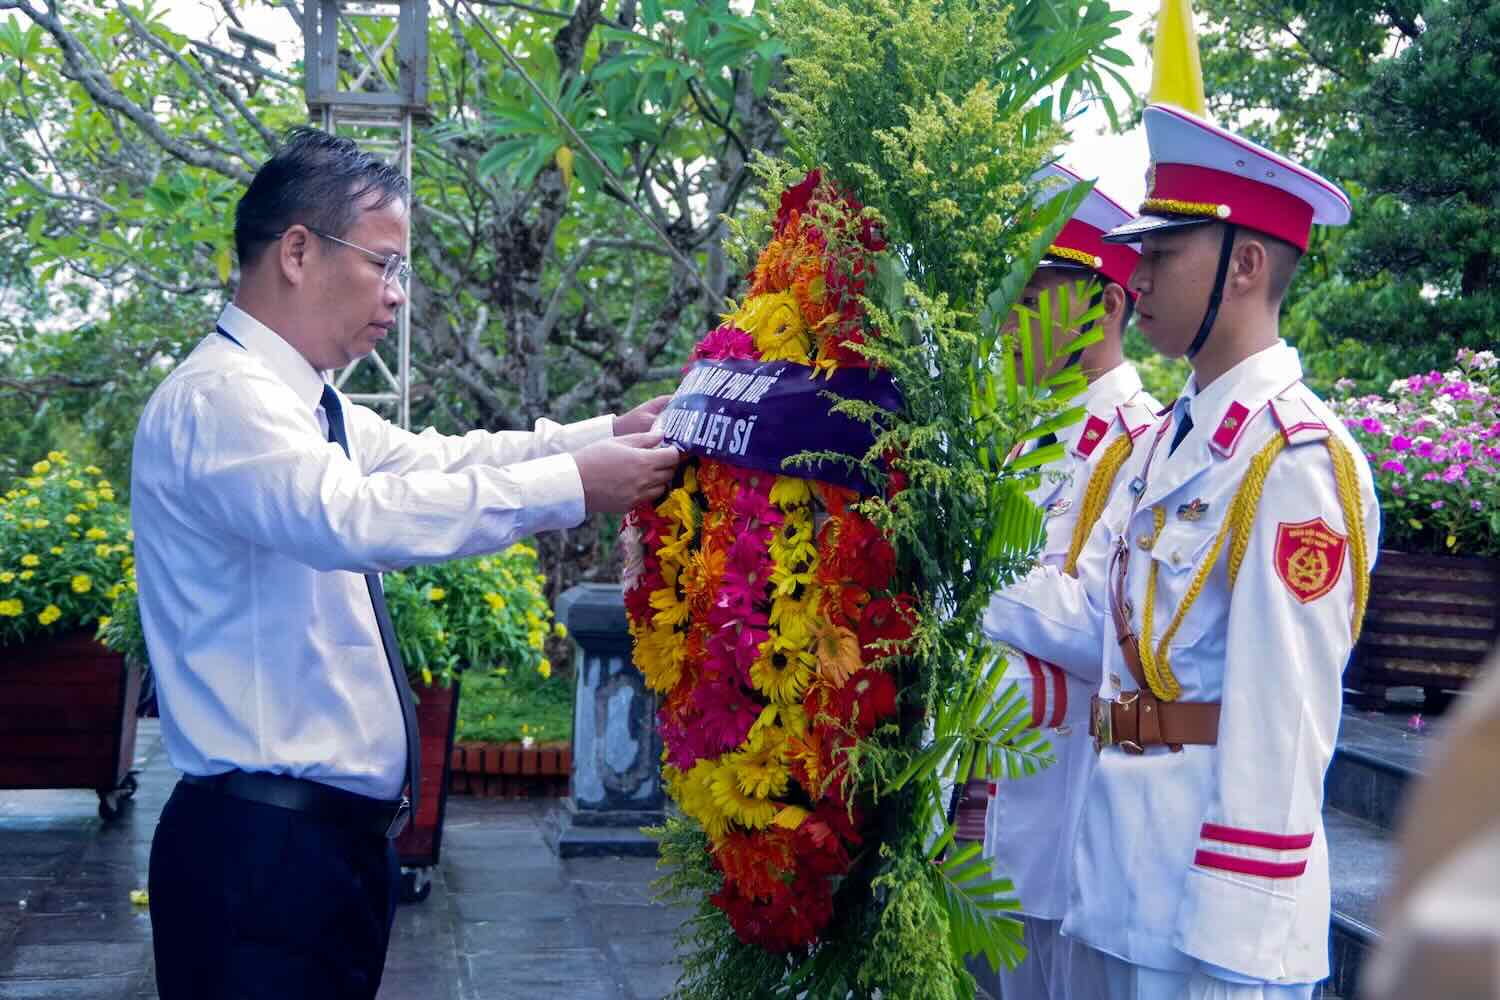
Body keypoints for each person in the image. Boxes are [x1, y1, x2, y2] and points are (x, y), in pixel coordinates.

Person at [131, 127, 681, 1000]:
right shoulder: (222, 400)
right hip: (260, 856)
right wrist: (577, 484)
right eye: (384, 266)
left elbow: (438, 461)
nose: (395, 297)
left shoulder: (304, 402)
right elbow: (353, 517)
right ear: (300, 251)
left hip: (316, 852)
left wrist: (602, 437)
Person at [984, 104, 1380, 998]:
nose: (1139, 273)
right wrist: (958, 567)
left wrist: (1238, 945)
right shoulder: (1170, 440)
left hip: (1207, 908)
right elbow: (1099, 619)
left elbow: (1285, 719)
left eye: (1162, 256)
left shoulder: (1296, 460)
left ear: (1244, 265)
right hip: (1111, 870)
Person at [968, 163, 1159, 1000]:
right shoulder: (1029, 430)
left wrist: (968, 573)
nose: (1012, 321)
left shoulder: (1135, 441)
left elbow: (1094, 626)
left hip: (1065, 796)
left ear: (1108, 302)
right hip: (987, 794)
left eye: (1034, 293)